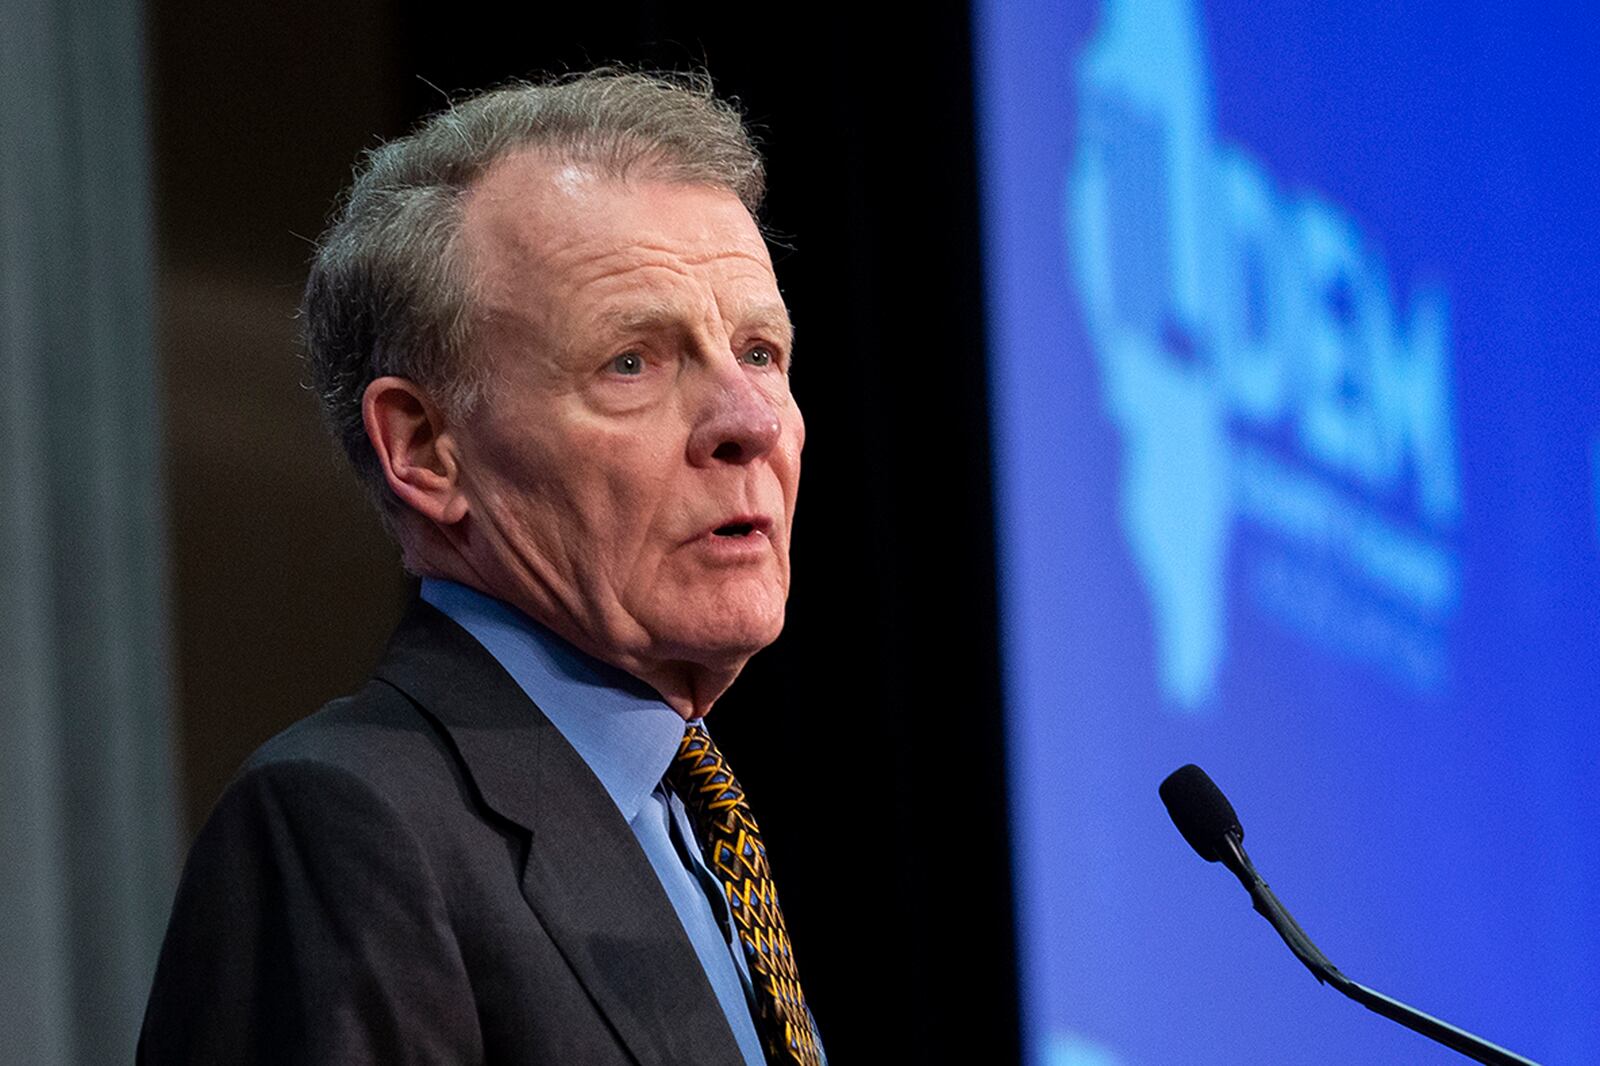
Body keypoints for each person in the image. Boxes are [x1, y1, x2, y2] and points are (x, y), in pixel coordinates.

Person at [138, 71, 824, 1066]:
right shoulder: (349, 830)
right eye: (631, 361)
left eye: (760, 352)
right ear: (424, 449)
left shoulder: (697, 830)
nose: (751, 423)